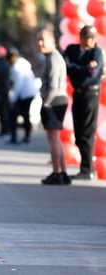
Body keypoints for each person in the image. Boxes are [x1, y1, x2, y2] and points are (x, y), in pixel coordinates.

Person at [63, 25, 103, 180]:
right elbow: (66, 67)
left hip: (90, 94)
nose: (92, 40)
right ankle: (86, 167)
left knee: (87, 132)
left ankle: (87, 169)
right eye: (89, 37)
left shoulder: (96, 52)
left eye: (93, 37)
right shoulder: (72, 50)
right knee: (79, 133)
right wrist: (83, 69)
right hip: (78, 93)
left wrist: (75, 68)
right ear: (82, 37)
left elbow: (93, 74)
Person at [37, 29, 71, 185]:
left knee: (53, 139)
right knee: (56, 138)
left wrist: (46, 102)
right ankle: (63, 172)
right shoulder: (50, 57)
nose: (40, 43)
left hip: (54, 100)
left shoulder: (54, 58)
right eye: (38, 40)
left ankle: (57, 173)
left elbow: (54, 84)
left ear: (53, 41)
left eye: (43, 40)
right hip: (56, 99)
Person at [6, 48, 38, 144]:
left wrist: (13, 99)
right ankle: (26, 136)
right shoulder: (23, 63)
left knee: (16, 115)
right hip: (29, 93)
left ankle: (15, 137)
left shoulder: (17, 67)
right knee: (25, 115)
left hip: (24, 94)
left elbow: (18, 84)